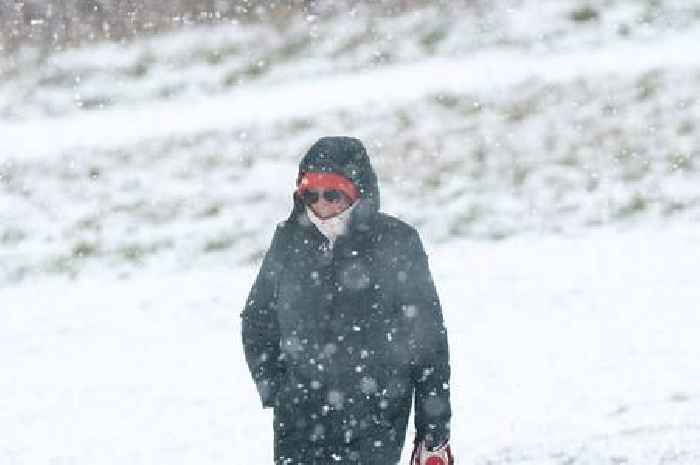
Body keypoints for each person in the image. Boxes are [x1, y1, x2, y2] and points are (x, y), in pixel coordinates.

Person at [241, 136, 453, 465]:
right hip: (300, 419)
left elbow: (429, 344)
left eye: (333, 194)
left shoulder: (397, 243)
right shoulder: (288, 242)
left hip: (375, 418)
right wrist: (277, 388)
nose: (321, 204)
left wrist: (434, 432)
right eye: (311, 194)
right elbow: (257, 320)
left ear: (358, 193)